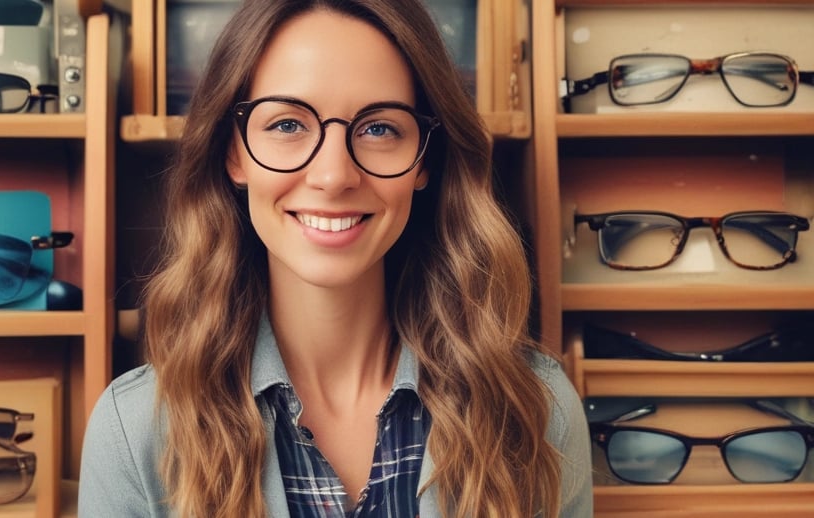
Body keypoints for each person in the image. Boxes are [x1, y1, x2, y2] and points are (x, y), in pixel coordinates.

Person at [79, 0, 593, 516]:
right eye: (287, 124)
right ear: (234, 152)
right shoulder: (134, 430)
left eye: (378, 128)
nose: (333, 175)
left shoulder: (538, 411)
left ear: (424, 161)